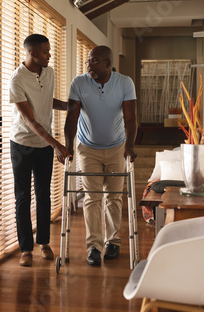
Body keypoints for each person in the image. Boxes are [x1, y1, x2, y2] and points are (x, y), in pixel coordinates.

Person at [64, 45, 137, 266]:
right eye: (88, 61)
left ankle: (113, 242)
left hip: (116, 147)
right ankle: (93, 247)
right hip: (88, 149)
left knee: (113, 197)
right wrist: (68, 146)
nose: (89, 65)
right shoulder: (79, 82)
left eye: (94, 61)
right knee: (92, 197)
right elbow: (71, 117)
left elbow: (131, 118)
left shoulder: (124, 83)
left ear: (107, 64)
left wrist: (130, 146)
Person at [9, 34, 69, 267]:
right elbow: (31, 121)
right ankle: (25, 249)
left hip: (44, 145)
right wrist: (57, 144)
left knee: (43, 194)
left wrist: (68, 106)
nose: (49, 55)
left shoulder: (49, 72)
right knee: (22, 197)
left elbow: (45, 99)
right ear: (32, 53)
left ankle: (43, 242)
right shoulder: (17, 80)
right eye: (45, 51)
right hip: (22, 144)